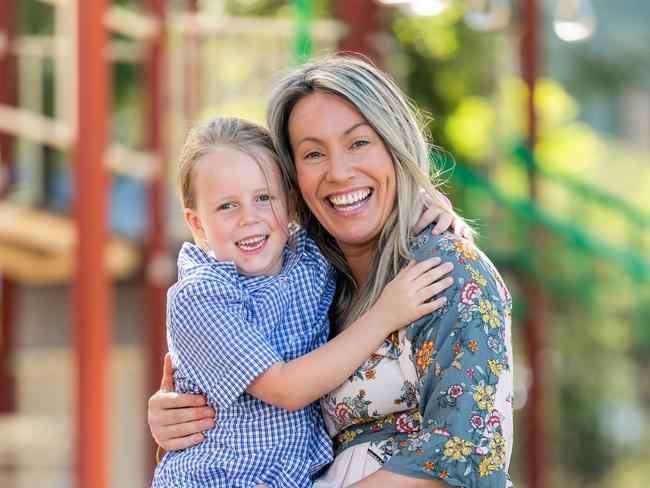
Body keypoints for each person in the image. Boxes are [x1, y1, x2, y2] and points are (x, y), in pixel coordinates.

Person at [149, 56, 514, 487]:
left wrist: (420, 195)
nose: (339, 172)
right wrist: (179, 419)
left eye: (359, 143)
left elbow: (465, 450)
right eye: (314, 153)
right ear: (296, 180)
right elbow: (265, 402)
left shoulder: (440, 272)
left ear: (395, 145)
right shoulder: (316, 276)